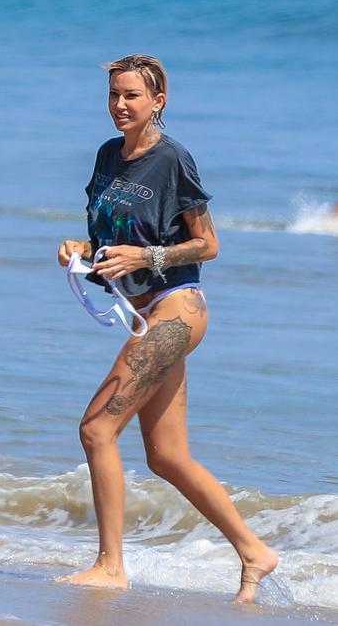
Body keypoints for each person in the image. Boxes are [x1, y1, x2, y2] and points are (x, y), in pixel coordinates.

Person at [57, 54, 278, 603]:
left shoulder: (172, 159)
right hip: (146, 312)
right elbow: (111, 239)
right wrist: (81, 249)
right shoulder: (107, 156)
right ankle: (255, 552)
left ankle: (110, 566)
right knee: (166, 456)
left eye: (132, 95)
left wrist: (146, 257)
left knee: (96, 429)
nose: (120, 104)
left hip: (177, 310)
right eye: (114, 94)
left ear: (158, 102)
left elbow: (208, 245)